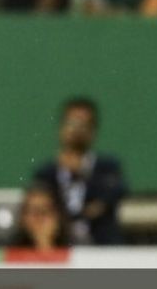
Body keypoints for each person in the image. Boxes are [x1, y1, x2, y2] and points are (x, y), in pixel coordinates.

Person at [33, 97, 128, 245]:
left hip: (101, 247)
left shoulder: (107, 168)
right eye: (72, 123)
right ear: (61, 128)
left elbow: (112, 195)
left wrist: (81, 172)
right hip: (59, 247)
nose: (77, 130)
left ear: (93, 131)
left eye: (84, 125)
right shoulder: (46, 173)